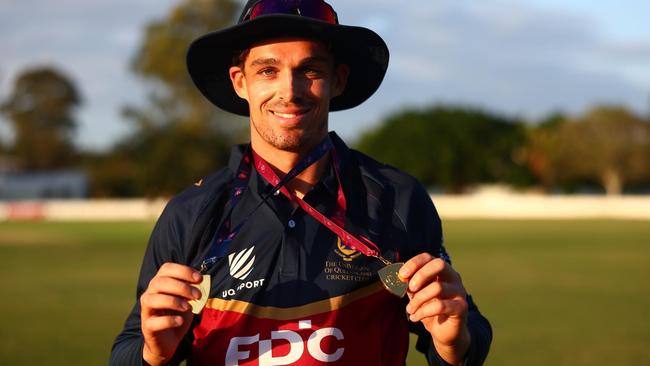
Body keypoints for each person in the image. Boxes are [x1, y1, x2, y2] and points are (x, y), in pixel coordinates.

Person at [110, 0, 492, 365]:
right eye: (267, 71)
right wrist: (153, 355)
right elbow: (128, 350)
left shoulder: (397, 197)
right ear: (240, 82)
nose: (289, 91)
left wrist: (454, 341)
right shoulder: (190, 213)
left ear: (337, 80)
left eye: (310, 70)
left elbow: (464, 337)